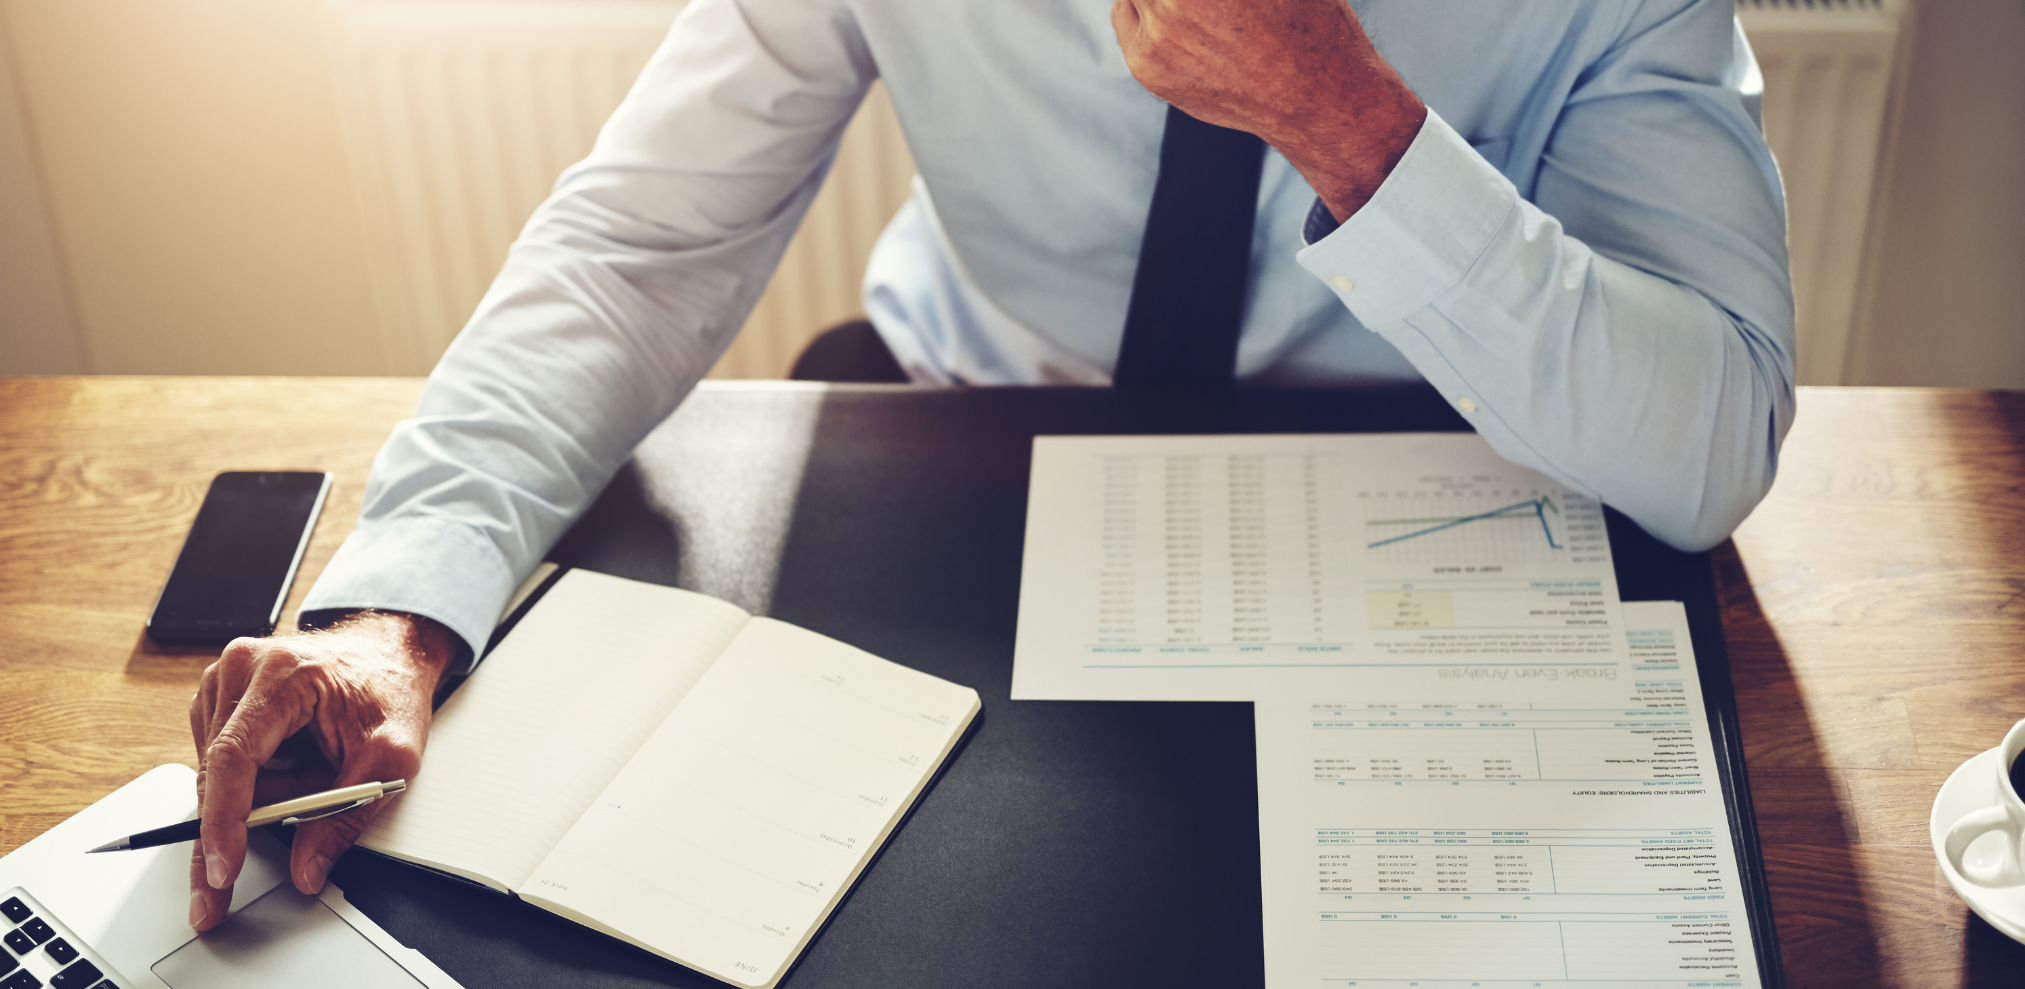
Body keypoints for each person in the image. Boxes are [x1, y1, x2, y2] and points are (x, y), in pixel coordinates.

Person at [184, 0, 1794, 930]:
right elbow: (638, 251)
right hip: (954, 440)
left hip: (1423, 497)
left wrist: (1352, 124)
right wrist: (399, 599)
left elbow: (1714, 435)